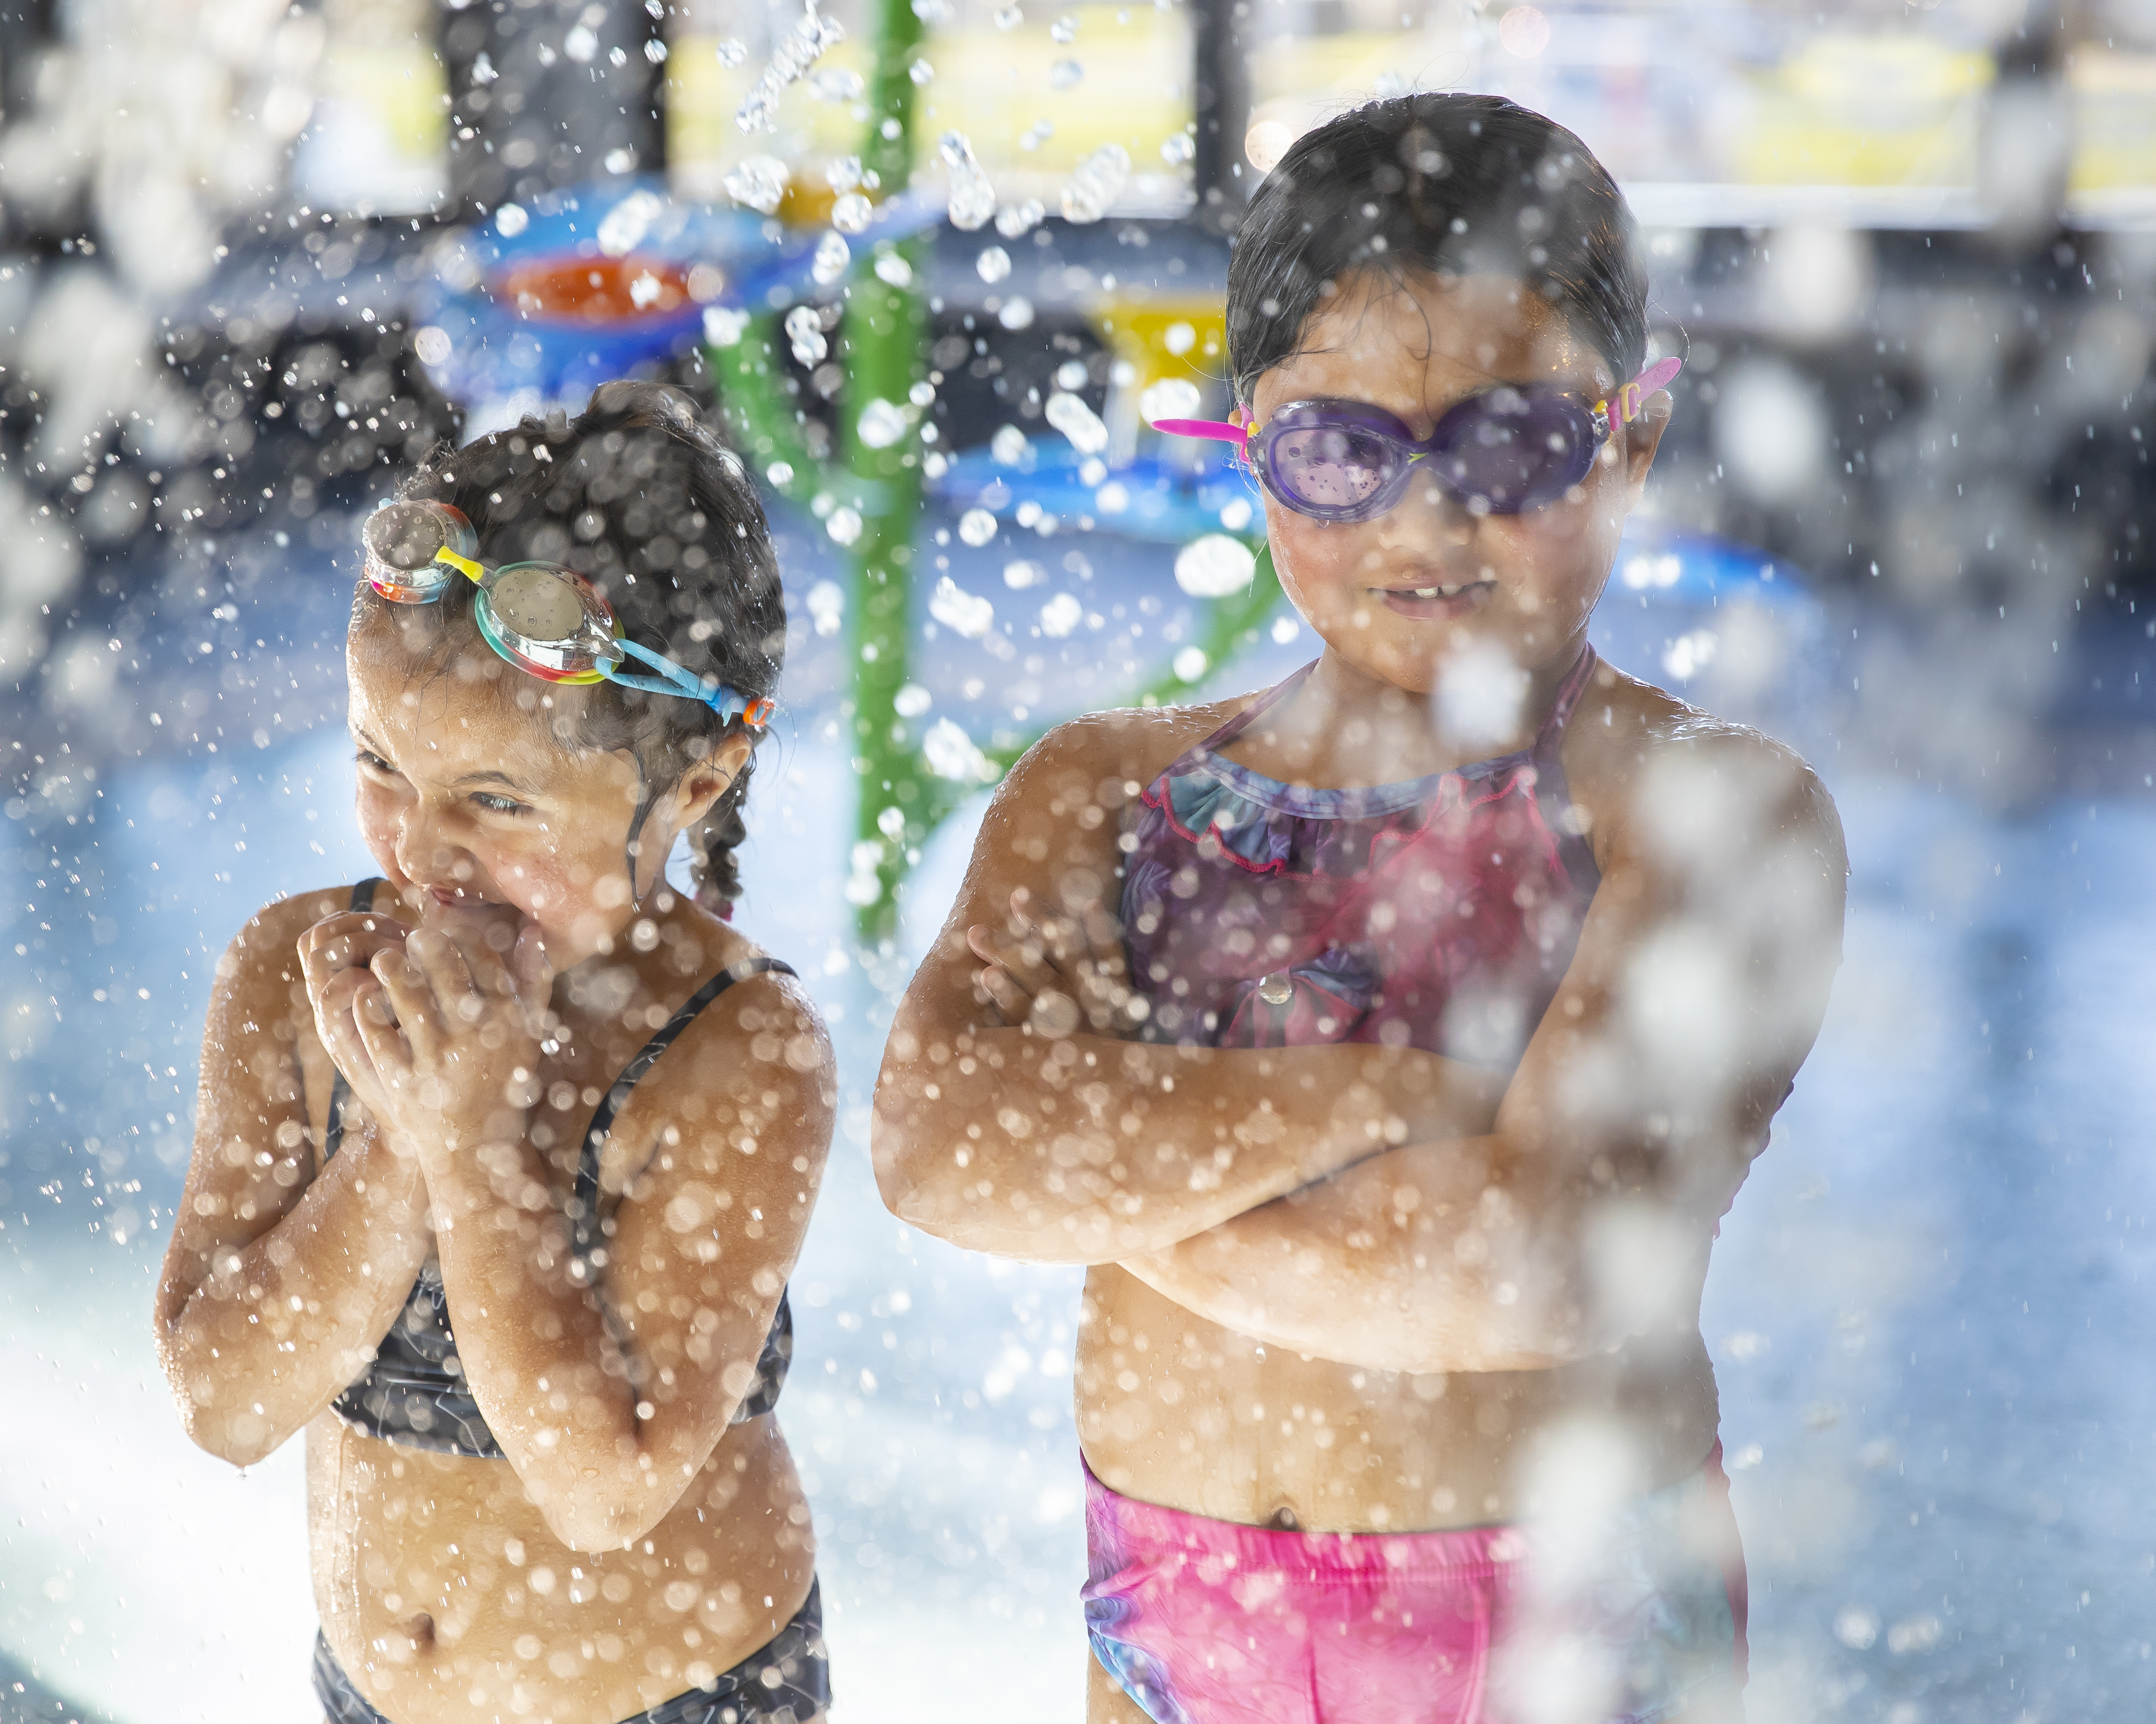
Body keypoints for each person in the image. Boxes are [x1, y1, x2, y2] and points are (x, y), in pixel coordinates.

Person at [872, 94, 1846, 1724]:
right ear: (1248, 446)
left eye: (1512, 442)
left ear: (1633, 437)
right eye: (1340, 452)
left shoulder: (1706, 806)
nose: (1425, 520)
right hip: (1169, 1620)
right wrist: (1398, 1100)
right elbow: (930, 1145)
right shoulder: (1098, 791)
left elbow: (1535, 1268)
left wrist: (1098, 1174)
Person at [155, 383, 836, 1724]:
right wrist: (395, 1136)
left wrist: (472, 1144)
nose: (418, 848)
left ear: (693, 786)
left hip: (681, 1695)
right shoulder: (294, 980)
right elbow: (224, 1405)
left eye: (496, 800)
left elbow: (602, 1492)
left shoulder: (740, 1052)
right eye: (381, 765)